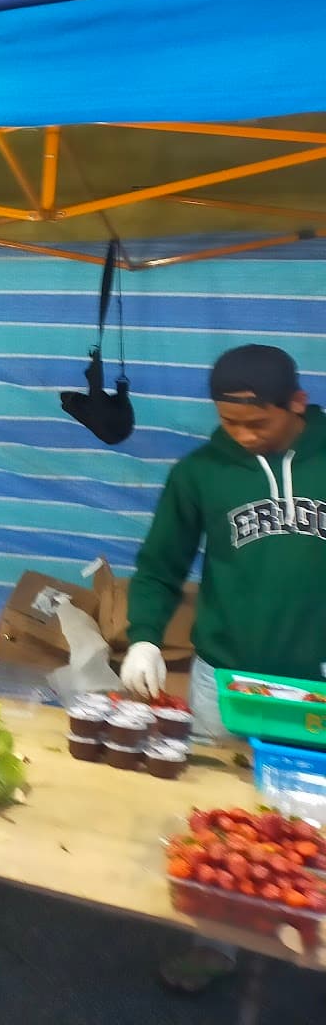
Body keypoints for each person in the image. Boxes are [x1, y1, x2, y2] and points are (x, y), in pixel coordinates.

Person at [122, 344, 325, 992]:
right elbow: (160, 563)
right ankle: (218, 944)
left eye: (256, 423)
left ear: (296, 403)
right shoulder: (200, 472)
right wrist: (145, 638)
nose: (242, 436)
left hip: (317, 679)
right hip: (229, 680)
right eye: (231, 423)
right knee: (226, 826)